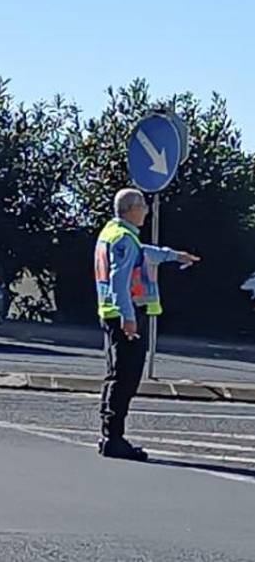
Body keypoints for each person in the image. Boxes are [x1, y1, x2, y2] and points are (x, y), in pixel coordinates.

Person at [94, 188, 200, 461]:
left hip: (113, 313)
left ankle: (109, 435)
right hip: (125, 314)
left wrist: (174, 255)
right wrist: (128, 318)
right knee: (125, 377)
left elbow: (145, 253)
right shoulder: (124, 238)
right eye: (142, 205)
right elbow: (120, 281)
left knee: (117, 374)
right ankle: (113, 439)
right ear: (131, 209)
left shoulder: (115, 233)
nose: (147, 210)